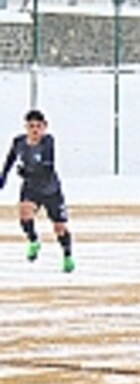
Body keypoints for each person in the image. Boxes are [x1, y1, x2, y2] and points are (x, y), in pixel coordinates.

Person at [0, 110, 75, 273]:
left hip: (51, 190)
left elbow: (47, 166)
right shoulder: (19, 142)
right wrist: (3, 176)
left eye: (38, 127)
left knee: (59, 227)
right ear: (26, 127)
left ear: (44, 127)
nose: (35, 130)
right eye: (31, 126)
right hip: (31, 188)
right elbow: (10, 159)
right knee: (24, 212)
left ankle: (67, 255)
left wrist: (27, 172)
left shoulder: (47, 142)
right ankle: (33, 240)